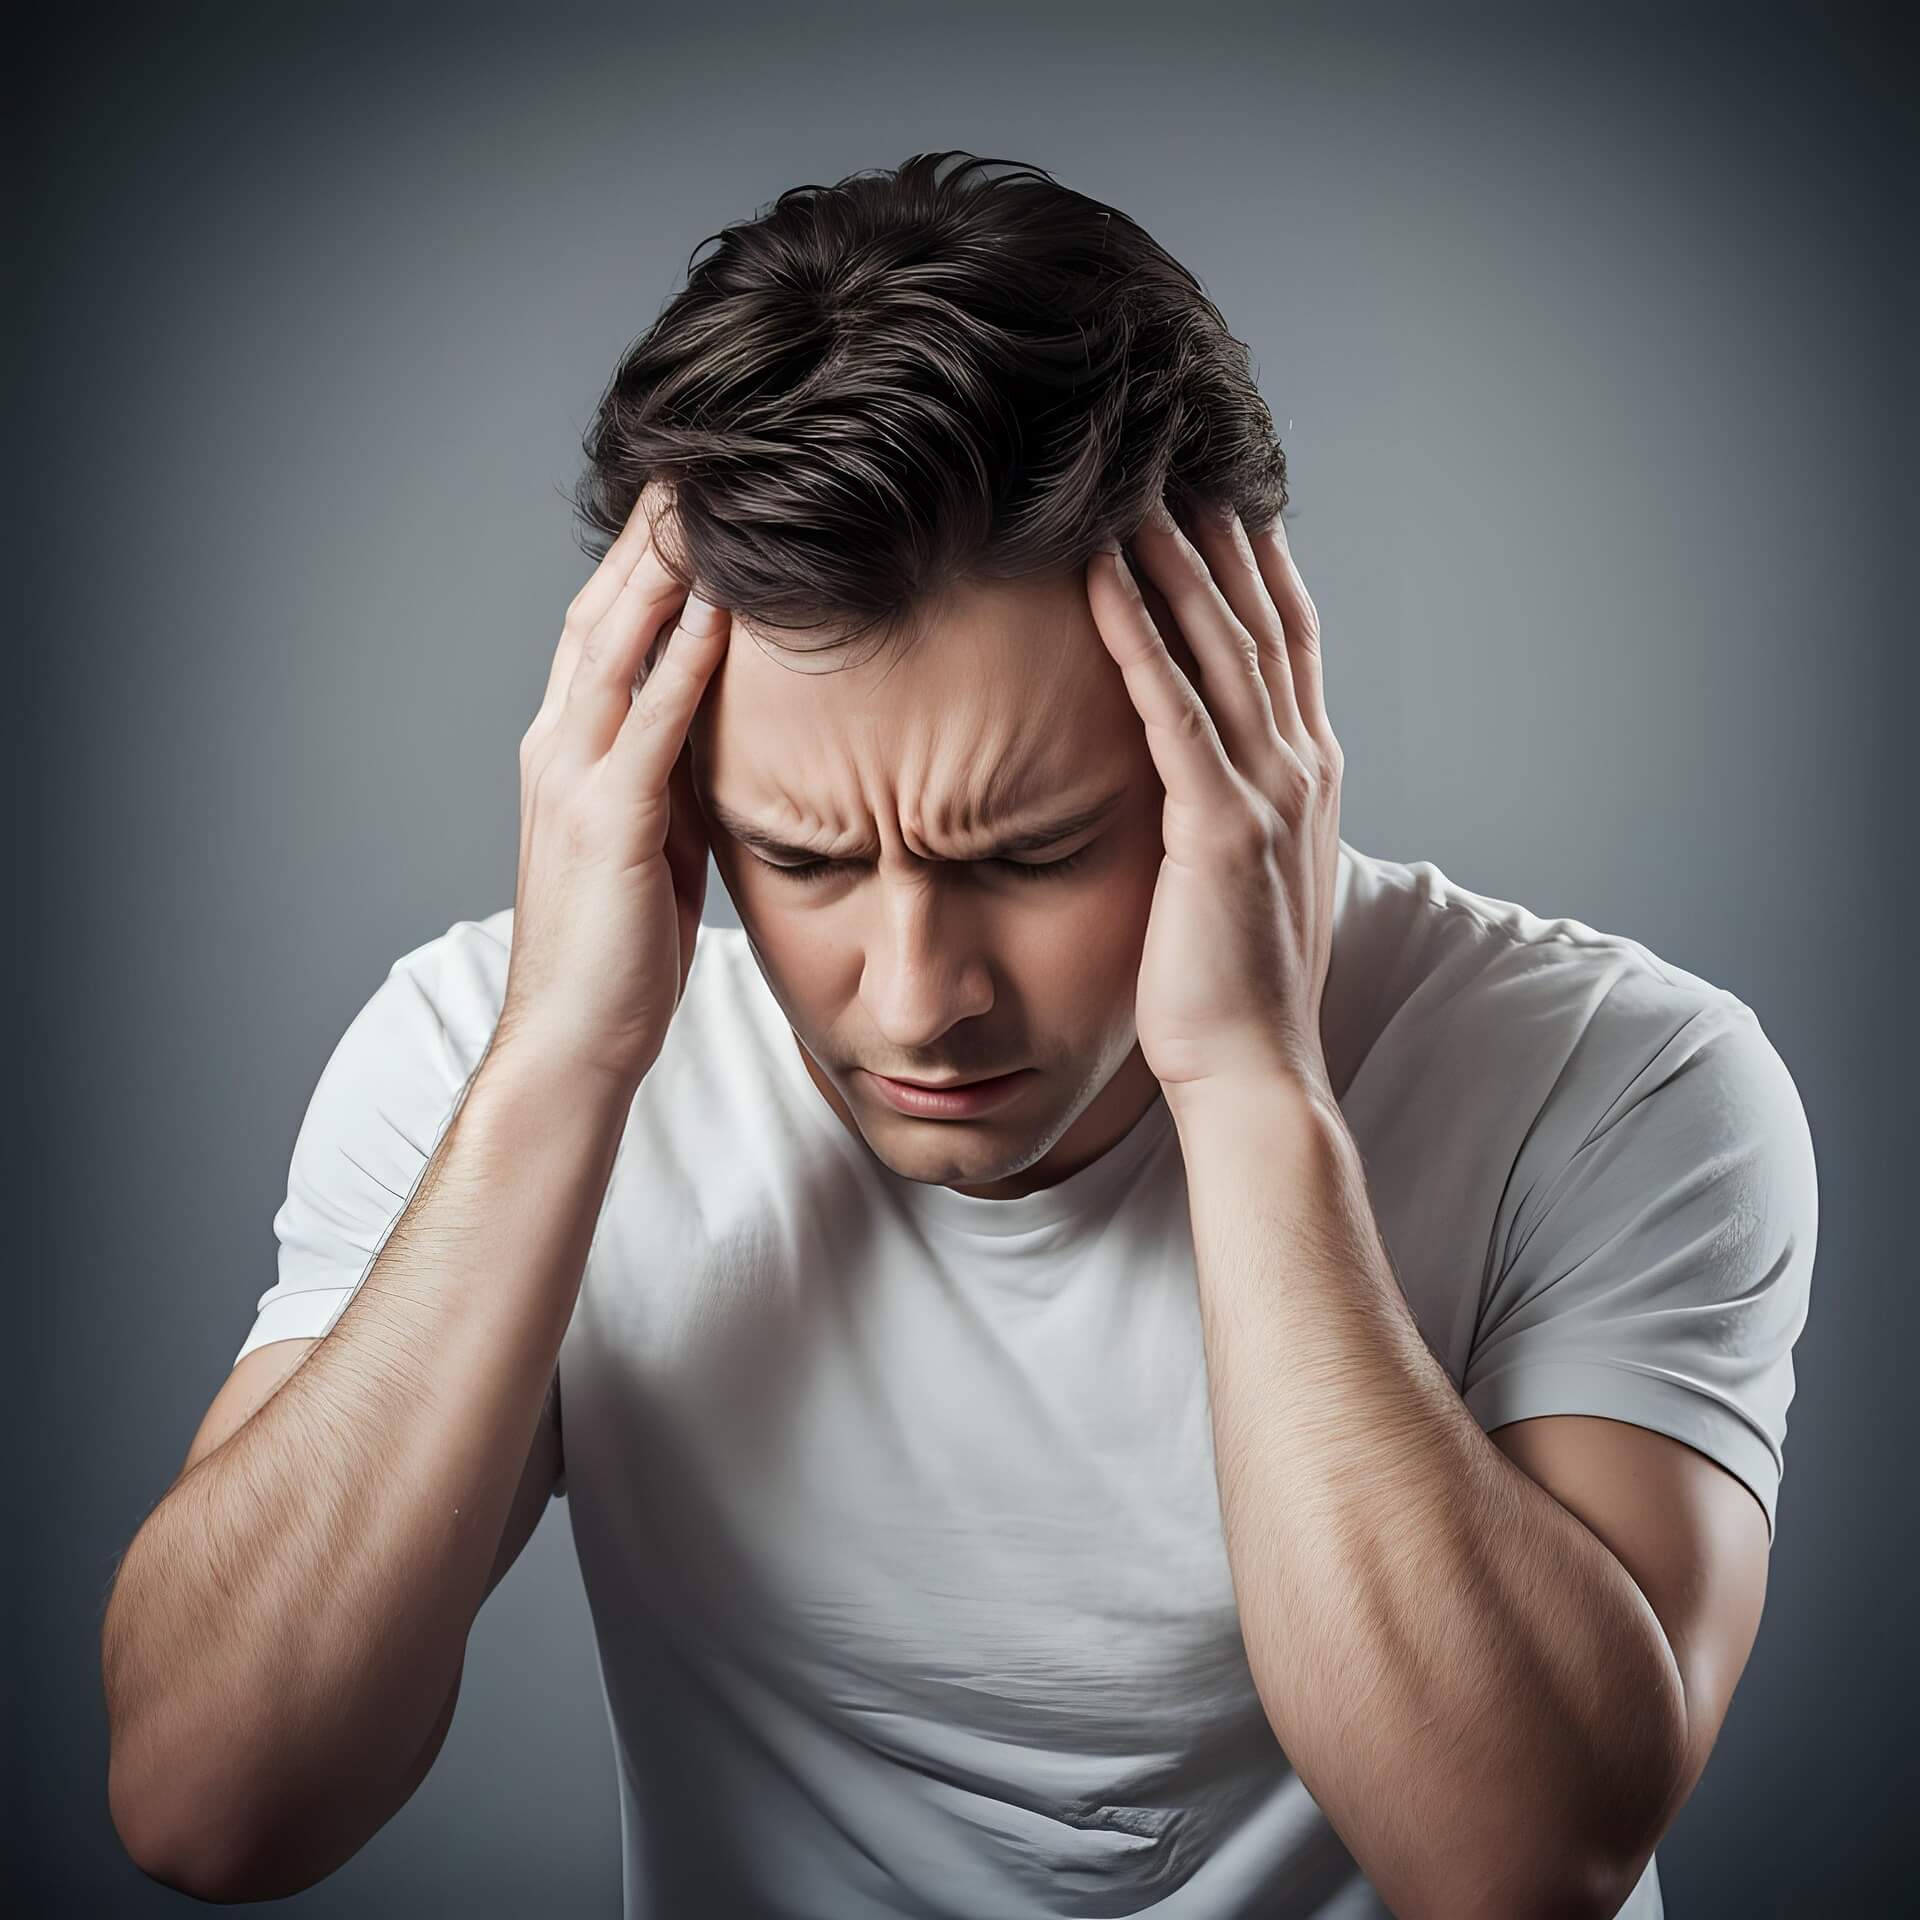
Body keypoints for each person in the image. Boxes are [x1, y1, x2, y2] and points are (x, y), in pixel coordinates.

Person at [103, 152, 1816, 1918]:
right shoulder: (493, 1054)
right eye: (806, 856)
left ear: (1244, 735)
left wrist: (1251, 1090)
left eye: (1034, 851)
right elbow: (210, 1800)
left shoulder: (1617, 1085)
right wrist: (559, 1066)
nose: (918, 994)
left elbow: (1519, 1868)